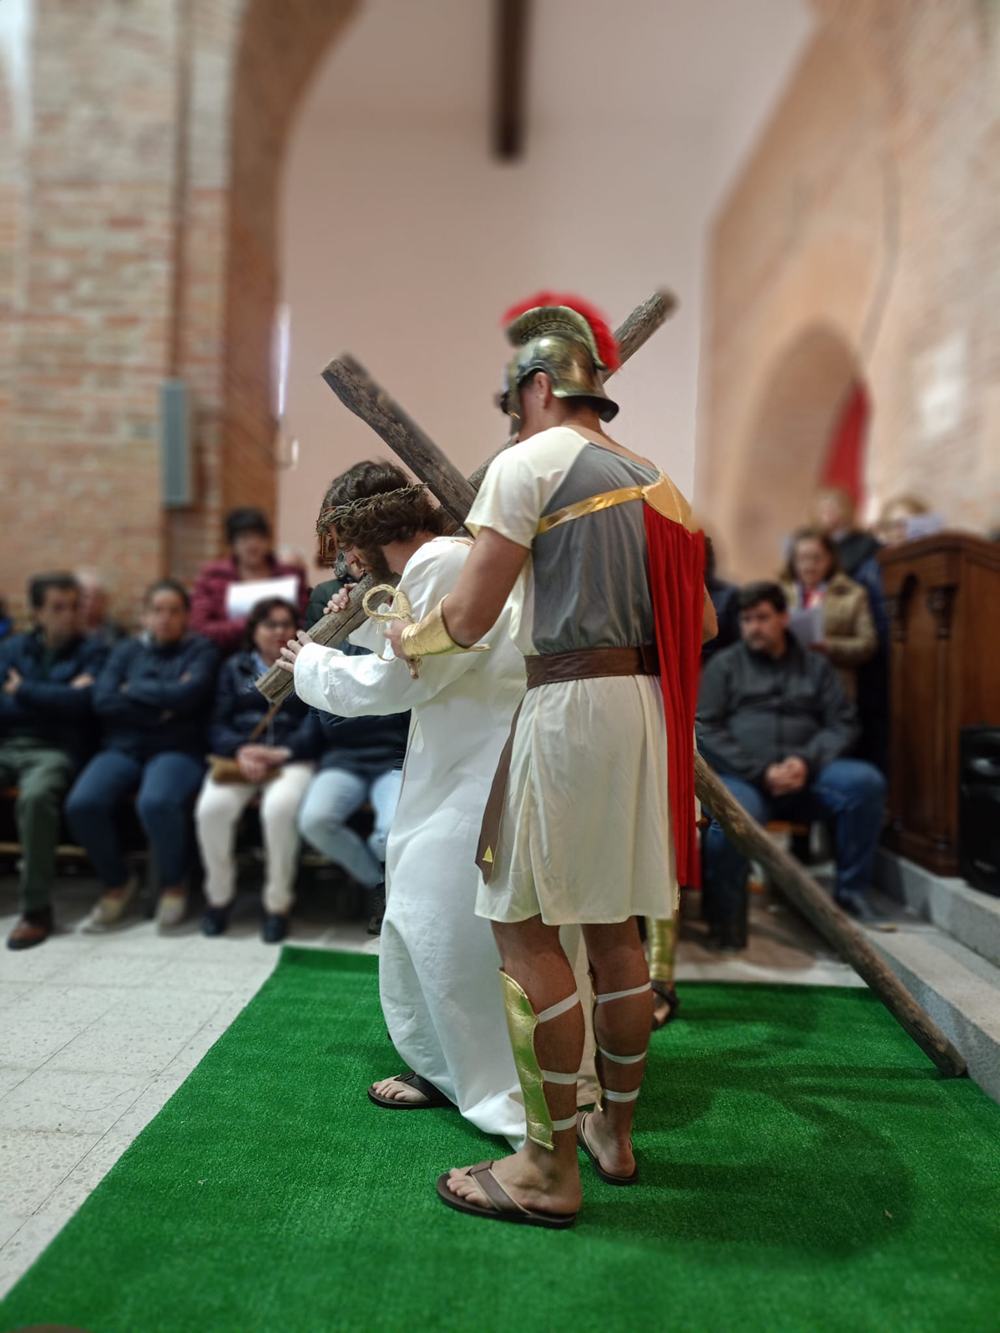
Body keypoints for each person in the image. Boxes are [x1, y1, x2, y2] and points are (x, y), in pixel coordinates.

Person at [380, 293, 713, 1227]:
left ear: (535, 385)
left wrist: (414, 638)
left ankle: (544, 1167)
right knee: (612, 931)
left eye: (511, 400)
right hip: (646, 715)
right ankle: (617, 1133)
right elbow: (706, 622)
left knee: (525, 928)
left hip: (568, 707)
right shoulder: (661, 484)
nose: (511, 417)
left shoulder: (528, 463)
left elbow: (472, 615)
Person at [279, 459, 537, 1142]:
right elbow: (418, 644)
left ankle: (507, 1095)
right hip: (453, 757)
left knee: (451, 926)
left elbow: (403, 681)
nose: (344, 561)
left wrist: (311, 663)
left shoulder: (442, 561)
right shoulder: (440, 562)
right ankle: (444, 1067)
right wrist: (356, 627)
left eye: (343, 545)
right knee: (418, 913)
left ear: (357, 533)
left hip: (479, 766)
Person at [697, 581, 887, 949]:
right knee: (729, 816)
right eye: (747, 619)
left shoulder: (815, 667)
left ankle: (851, 894)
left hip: (809, 776)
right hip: (746, 778)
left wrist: (806, 761)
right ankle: (726, 917)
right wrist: (759, 770)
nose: (754, 626)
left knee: (865, 783)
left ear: (784, 618)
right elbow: (706, 728)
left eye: (763, 618)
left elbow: (841, 722)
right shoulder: (725, 666)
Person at [66, 579, 218, 931]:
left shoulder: (201, 650)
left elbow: (189, 696)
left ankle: (174, 882)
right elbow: (102, 699)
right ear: (144, 616)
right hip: (124, 747)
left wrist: (132, 690)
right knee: (83, 803)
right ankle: (117, 882)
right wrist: (162, 705)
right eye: (157, 611)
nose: (165, 619)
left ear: (186, 617)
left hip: (176, 748)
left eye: (174, 611)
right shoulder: (124, 651)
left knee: (156, 802)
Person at [195, 597, 320, 944]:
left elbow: (316, 721)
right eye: (269, 624)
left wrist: (282, 752)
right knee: (211, 809)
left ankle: (277, 905)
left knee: (278, 810)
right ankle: (218, 898)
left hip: (290, 758)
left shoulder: (308, 663)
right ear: (253, 631)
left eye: (285, 624)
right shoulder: (234, 667)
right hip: (242, 758)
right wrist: (241, 749)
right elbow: (216, 723)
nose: (279, 631)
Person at [1, 573, 107, 949]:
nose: (69, 615)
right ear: (37, 612)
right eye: (57, 608)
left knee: (35, 796)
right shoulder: (12, 650)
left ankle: (36, 909)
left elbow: (84, 706)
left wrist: (24, 691)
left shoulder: (94, 650)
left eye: (73, 606)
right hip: (8, 743)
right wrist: (57, 696)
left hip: (55, 749)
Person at [190, 507, 308, 655]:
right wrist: (253, 625)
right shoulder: (213, 576)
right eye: (244, 538)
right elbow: (200, 626)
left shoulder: (290, 574)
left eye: (258, 537)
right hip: (226, 656)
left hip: (284, 653)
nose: (252, 544)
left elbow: (304, 618)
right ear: (232, 543)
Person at [781, 527, 877, 700]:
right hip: (789, 686)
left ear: (830, 559)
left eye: (817, 558)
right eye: (802, 559)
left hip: (836, 686)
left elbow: (868, 645)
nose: (809, 566)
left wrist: (829, 646)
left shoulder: (853, 594)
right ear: (793, 562)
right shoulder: (780, 595)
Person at [812, 486, 881, 578]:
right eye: (823, 510)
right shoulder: (816, 544)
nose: (828, 513)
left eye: (833, 507)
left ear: (846, 509)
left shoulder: (865, 541)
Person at [75, 569, 127, 648]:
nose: (89, 603)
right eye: (84, 596)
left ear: (104, 600)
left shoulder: (115, 632)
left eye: (96, 598)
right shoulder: (64, 629)